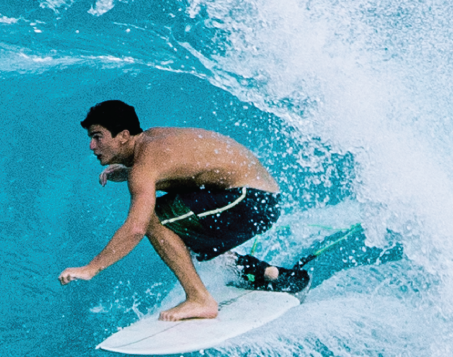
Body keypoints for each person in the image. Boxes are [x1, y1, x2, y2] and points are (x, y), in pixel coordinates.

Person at [58, 100, 308, 321]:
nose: (92, 145)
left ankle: (200, 299)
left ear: (123, 136)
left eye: (98, 136)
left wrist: (91, 268)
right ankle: (261, 272)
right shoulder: (152, 141)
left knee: (155, 219)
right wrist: (129, 171)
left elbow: (136, 228)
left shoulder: (144, 166)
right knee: (178, 220)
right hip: (257, 197)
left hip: (252, 201)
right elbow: (187, 166)